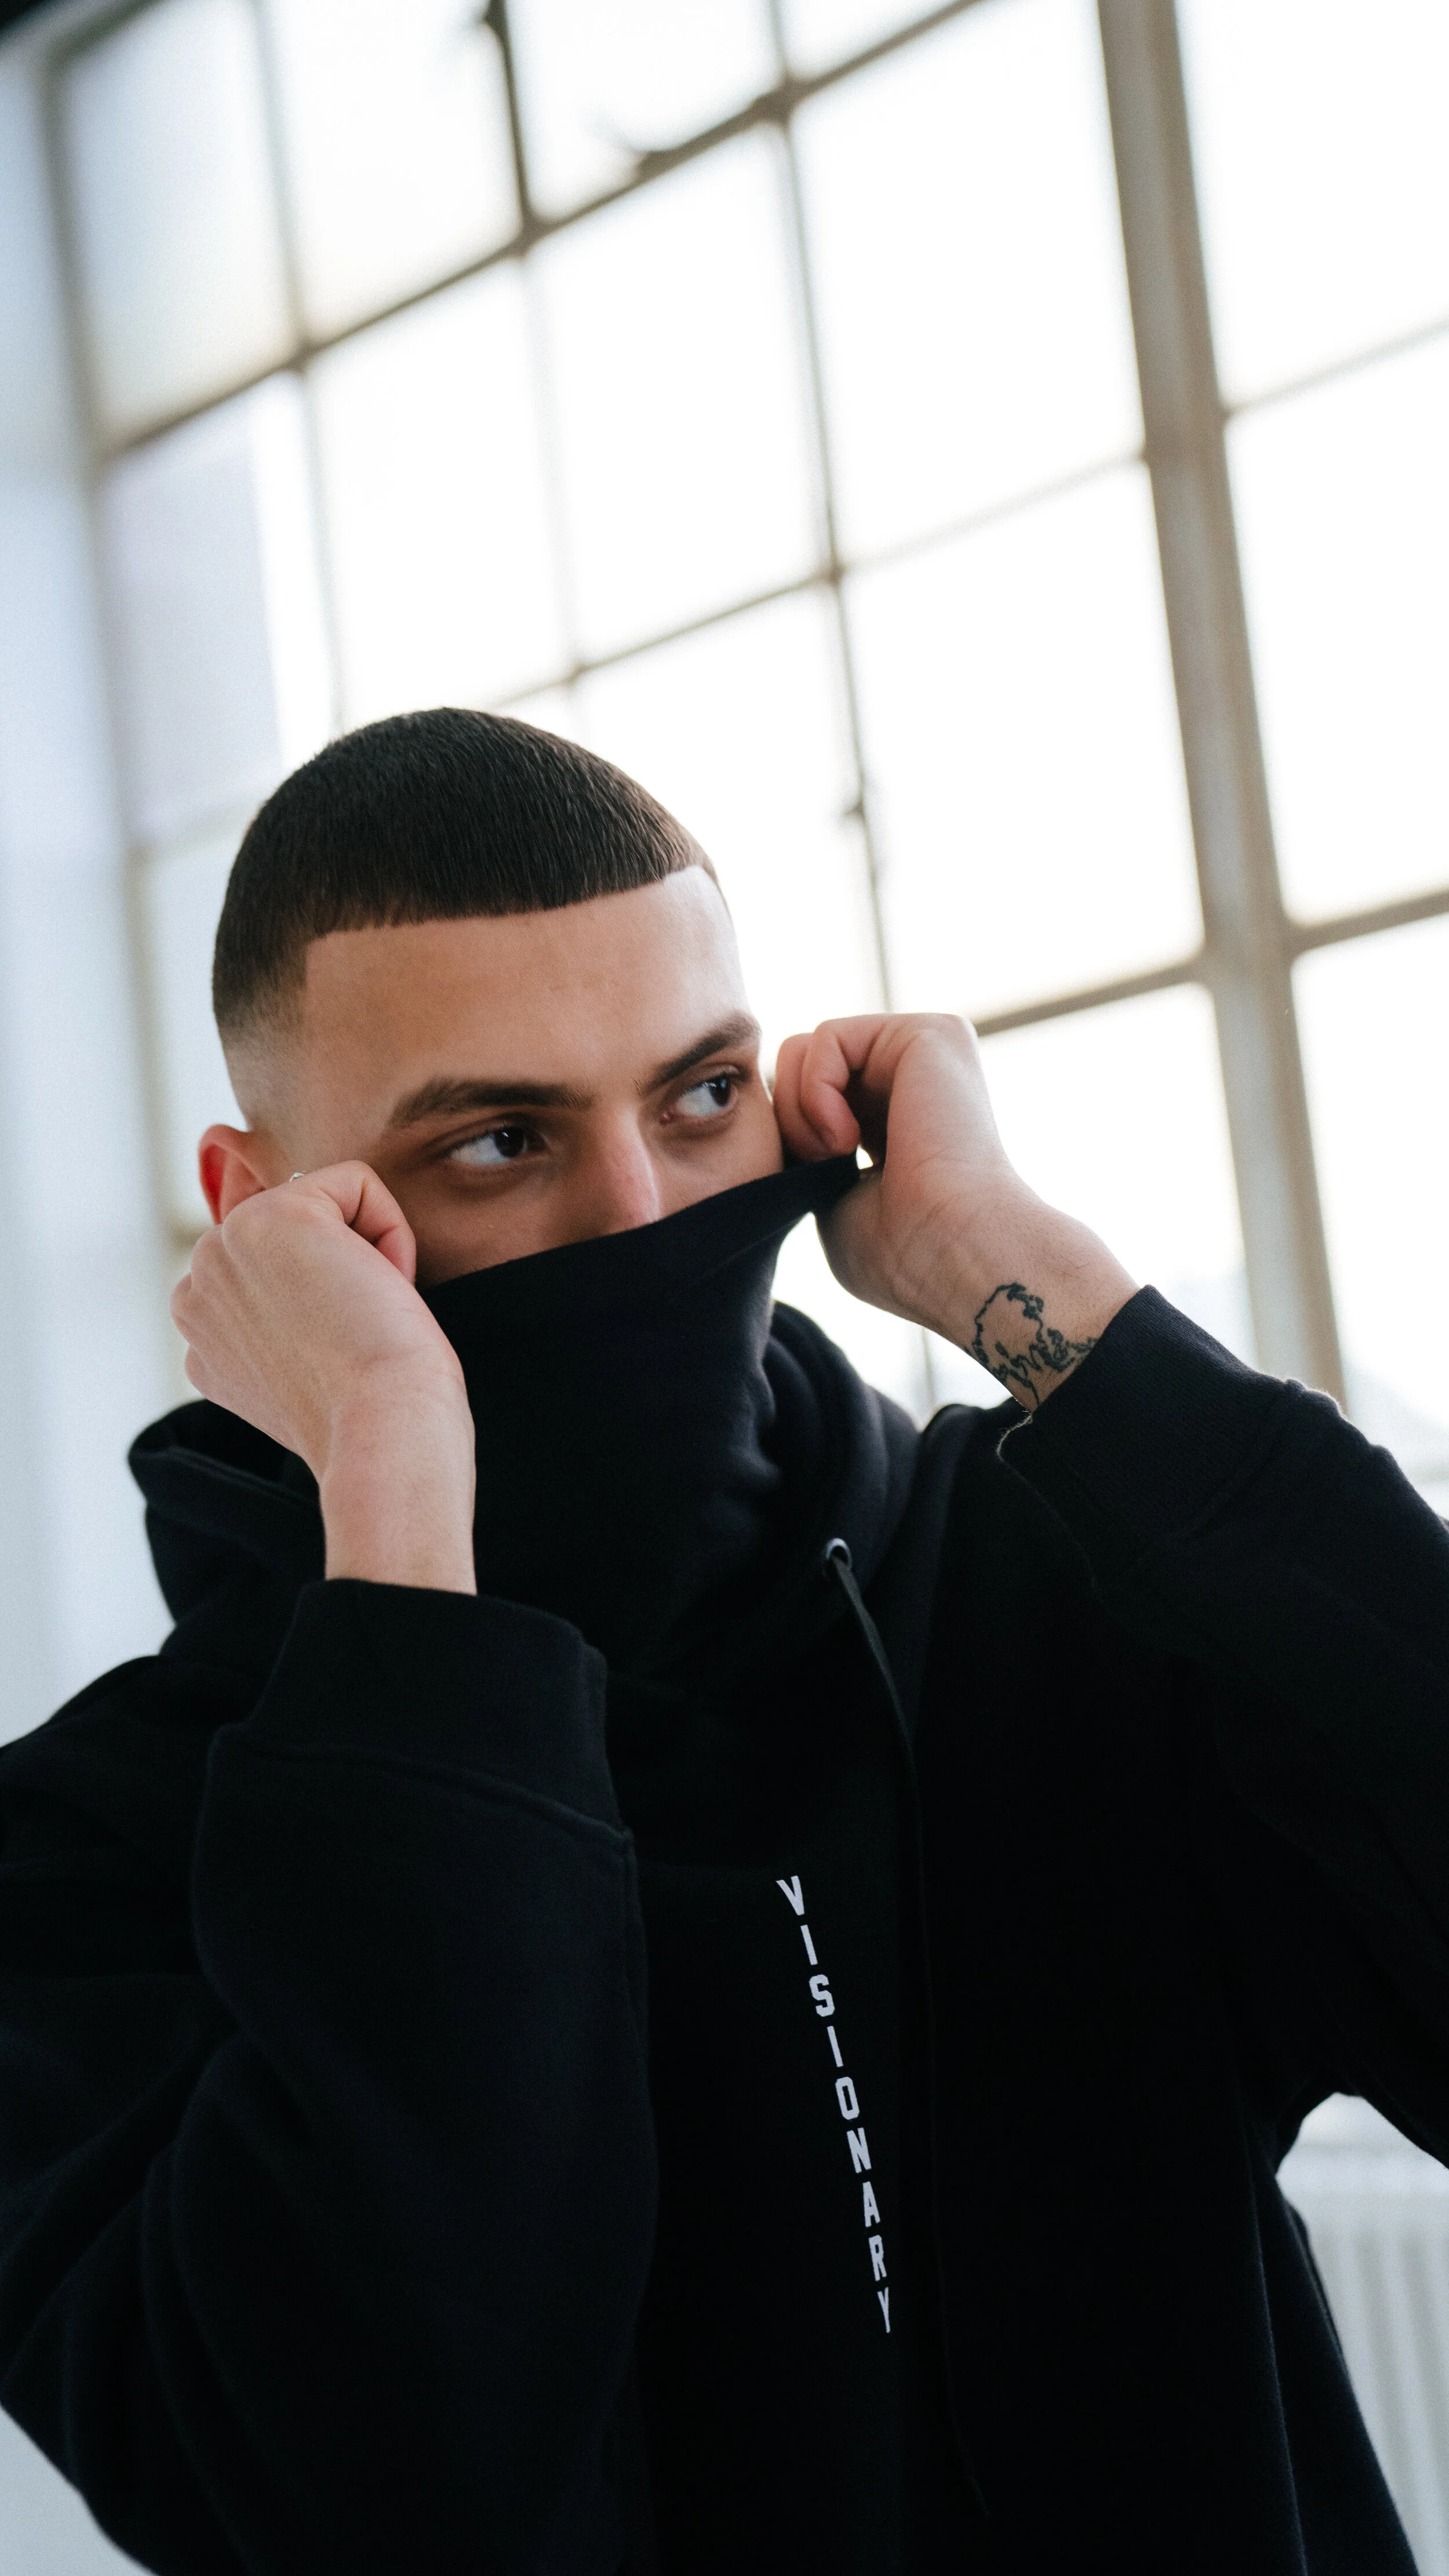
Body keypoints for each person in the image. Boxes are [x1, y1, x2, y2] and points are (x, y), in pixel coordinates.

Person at [0, 707, 1444, 2576]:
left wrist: (1032, 1281)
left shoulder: (1057, 1595)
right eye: (499, 1141)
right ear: (255, 1207)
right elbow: (370, 2491)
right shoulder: (88, 1852)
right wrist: (393, 1487)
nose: (641, 1215)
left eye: (699, 1100)